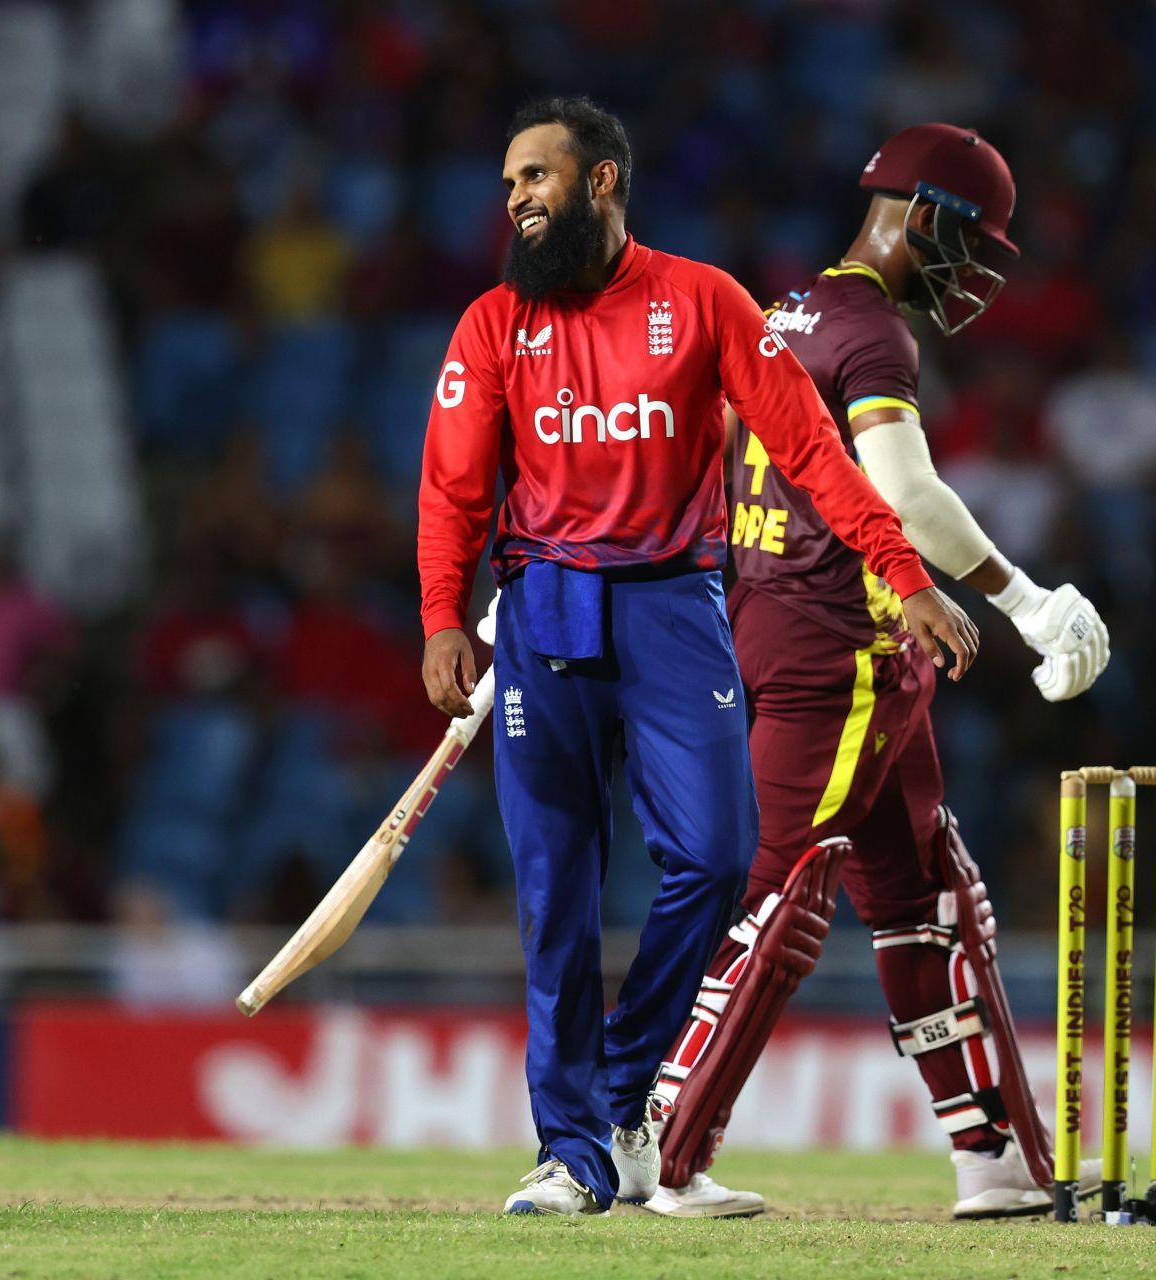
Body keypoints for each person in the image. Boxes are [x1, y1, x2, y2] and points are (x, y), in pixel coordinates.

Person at [416, 97, 980, 1217]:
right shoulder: (491, 324)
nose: (518, 198)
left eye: (537, 177)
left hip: (675, 608)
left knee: (721, 857)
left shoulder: (704, 301)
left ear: (604, 184)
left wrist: (904, 574)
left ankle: (624, 1092)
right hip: (545, 615)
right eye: (508, 183)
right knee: (555, 893)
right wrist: (443, 614)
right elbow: (452, 486)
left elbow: (814, 451)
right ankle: (572, 1149)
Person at [644, 124, 1112, 1221]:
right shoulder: (870, 336)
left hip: (776, 627)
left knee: (928, 898)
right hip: (840, 651)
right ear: (920, 213)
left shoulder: (782, 313)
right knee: (773, 889)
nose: (979, 273)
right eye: (973, 242)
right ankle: (662, 1146)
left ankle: (994, 1161)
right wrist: (1027, 598)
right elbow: (904, 493)